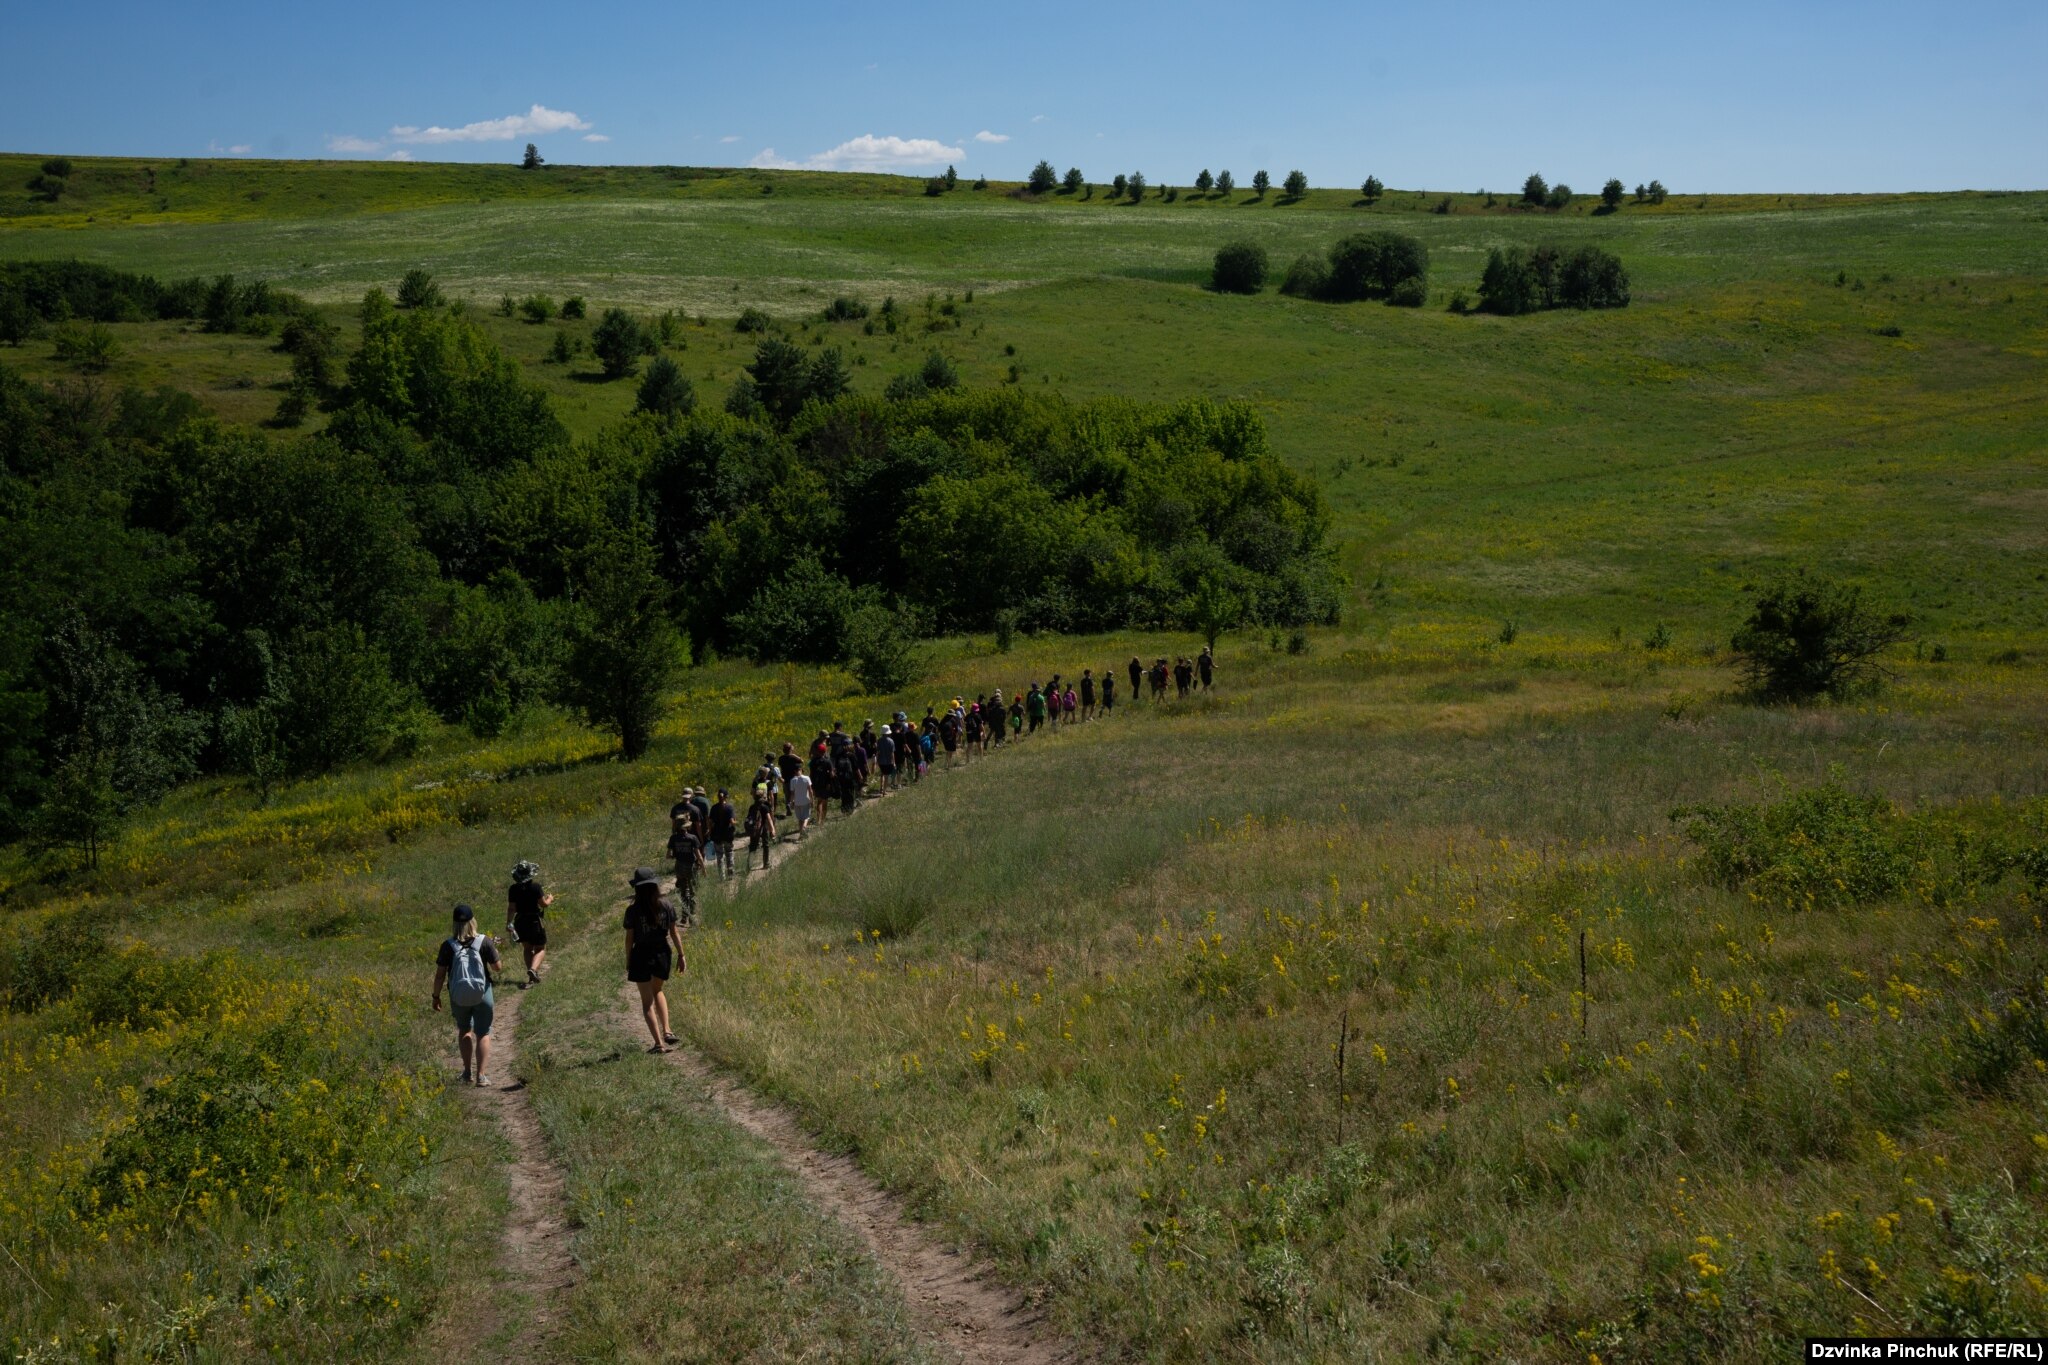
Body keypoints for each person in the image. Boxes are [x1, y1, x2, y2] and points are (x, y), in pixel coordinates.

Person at [431, 903, 502, 1086]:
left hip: (458, 995)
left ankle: (467, 1073)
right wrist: (495, 950)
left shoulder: (448, 945)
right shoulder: (484, 941)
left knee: (464, 1030)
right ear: (473, 922)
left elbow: (440, 975)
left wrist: (436, 996)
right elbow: (497, 968)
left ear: (454, 924)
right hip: (483, 993)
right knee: (483, 1032)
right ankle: (481, 1076)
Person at [623, 868, 684, 1053]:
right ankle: (667, 1030)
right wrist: (681, 955)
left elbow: (629, 938)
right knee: (658, 990)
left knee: (646, 1001)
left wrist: (628, 959)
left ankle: (658, 1044)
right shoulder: (666, 905)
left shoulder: (633, 910)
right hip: (662, 952)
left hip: (641, 954)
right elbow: (674, 932)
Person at [505, 860, 553, 985]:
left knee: (527, 948)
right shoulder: (535, 887)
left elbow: (511, 908)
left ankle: (531, 975)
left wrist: (509, 923)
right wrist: (550, 899)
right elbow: (544, 904)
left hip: (520, 921)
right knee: (540, 948)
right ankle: (533, 969)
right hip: (534, 921)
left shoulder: (513, 889)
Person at [666, 811, 703, 921]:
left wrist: (675, 856)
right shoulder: (692, 838)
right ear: (686, 826)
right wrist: (704, 868)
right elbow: (699, 856)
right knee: (692, 892)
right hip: (691, 867)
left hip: (679, 867)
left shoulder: (673, 838)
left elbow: (668, 855)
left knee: (683, 891)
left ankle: (683, 915)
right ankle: (692, 915)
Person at [709, 789, 738, 877]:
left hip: (717, 835)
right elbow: (732, 822)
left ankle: (722, 876)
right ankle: (730, 873)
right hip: (727, 834)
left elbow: (710, 822)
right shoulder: (729, 807)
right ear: (726, 796)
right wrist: (738, 822)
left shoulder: (714, 808)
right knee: (729, 852)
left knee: (719, 855)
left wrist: (710, 833)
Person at [746, 787, 776, 870]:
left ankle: (749, 865)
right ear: (763, 796)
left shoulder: (752, 807)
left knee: (753, 847)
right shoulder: (764, 807)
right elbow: (769, 819)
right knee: (765, 845)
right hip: (763, 829)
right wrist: (772, 829)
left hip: (754, 830)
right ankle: (766, 863)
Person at [788, 765, 813, 836]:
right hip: (806, 800)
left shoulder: (792, 780)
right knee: (806, 817)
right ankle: (804, 828)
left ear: (794, 771)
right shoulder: (807, 778)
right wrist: (812, 800)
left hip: (797, 802)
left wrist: (791, 802)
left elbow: (792, 794)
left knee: (800, 818)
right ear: (801, 770)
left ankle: (801, 832)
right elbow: (810, 791)